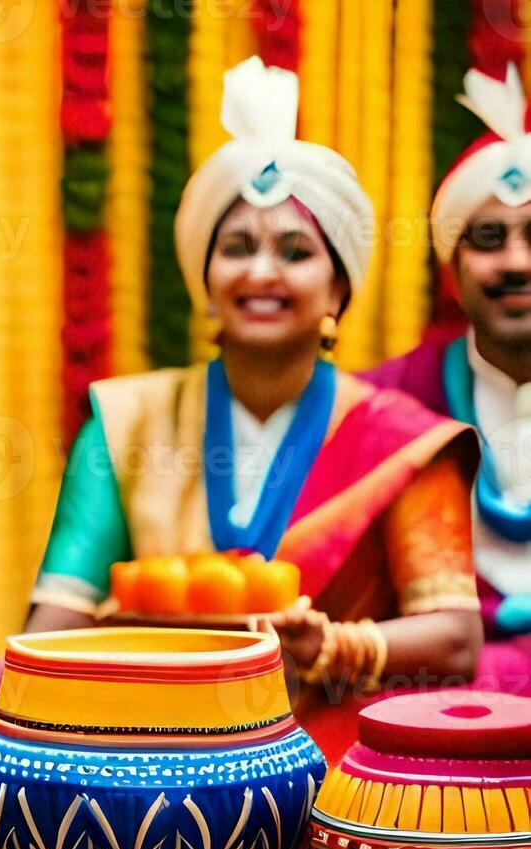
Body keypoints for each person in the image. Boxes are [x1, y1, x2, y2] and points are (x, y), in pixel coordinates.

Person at [25, 57, 482, 760]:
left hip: (337, 749)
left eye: (295, 251)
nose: (261, 271)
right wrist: (156, 650)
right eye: (236, 247)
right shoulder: (127, 422)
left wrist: (329, 645)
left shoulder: (400, 440)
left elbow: (454, 639)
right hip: (149, 743)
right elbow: (55, 628)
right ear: (206, 285)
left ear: (337, 291)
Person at [364, 64, 531, 695]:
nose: (518, 261)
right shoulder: (386, 404)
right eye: (489, 238)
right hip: (432, 717)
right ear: (453, 273)